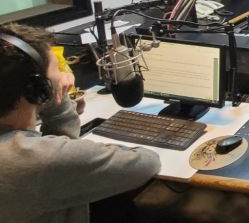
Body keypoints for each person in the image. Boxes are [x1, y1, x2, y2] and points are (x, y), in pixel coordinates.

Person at [0, 24, 161, 222]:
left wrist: (49, 91)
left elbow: (62, 167)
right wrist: (56, 99)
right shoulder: (35, 157)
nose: (62, 74)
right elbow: (146, 163)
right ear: (38, 87)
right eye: (57, 68)